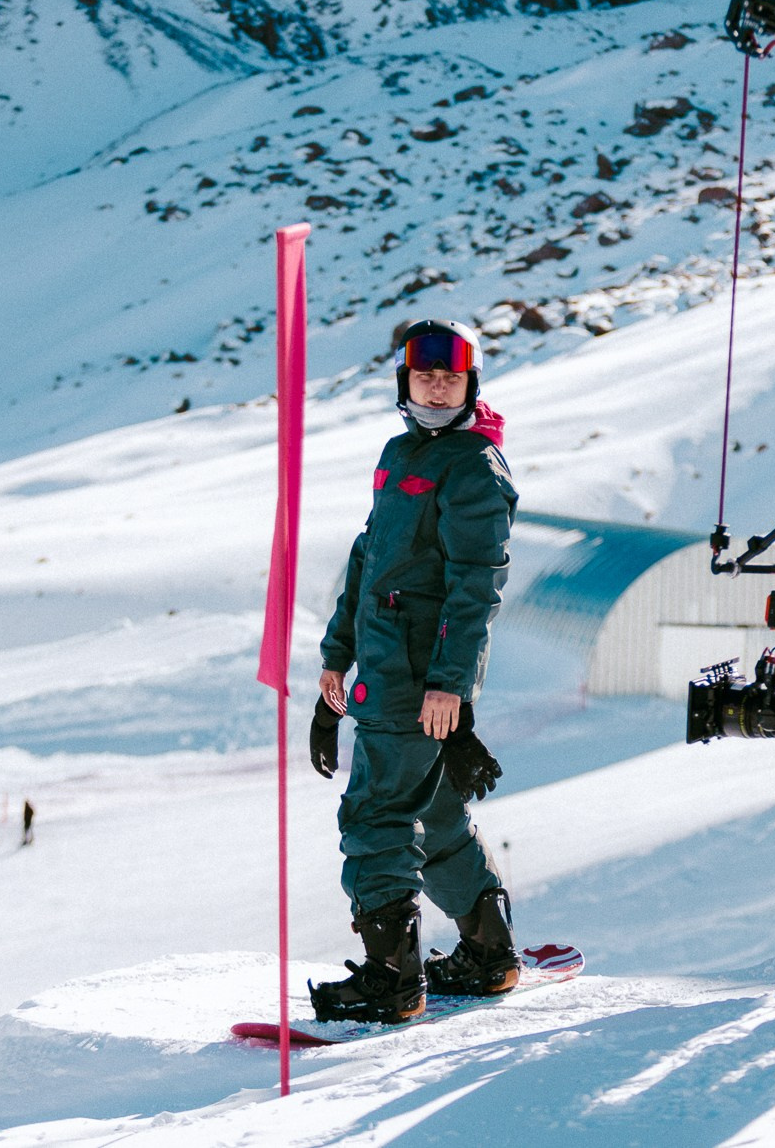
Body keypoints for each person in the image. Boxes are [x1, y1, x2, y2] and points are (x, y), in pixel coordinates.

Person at [308, 318, 515, 1024]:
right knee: (433, 809)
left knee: (376, 814)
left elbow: (476, 585)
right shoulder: (401, 453)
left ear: (470, 384)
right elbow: (368, 560)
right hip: (383, 666)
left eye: (451, 378)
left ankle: (391, 980)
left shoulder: (474, 465)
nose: (436, 387)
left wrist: (451, 684)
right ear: (405, 381)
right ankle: (488, 952)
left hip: (417, 679)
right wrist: (337, 655)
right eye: (424, 376)